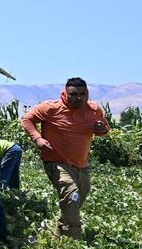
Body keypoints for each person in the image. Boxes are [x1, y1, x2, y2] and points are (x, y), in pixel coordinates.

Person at [21, 77, 110, 239]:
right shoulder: (50, 108)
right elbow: (27, 119)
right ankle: (75, 242)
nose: (79, 98)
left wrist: (102, 129)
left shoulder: (94, 110)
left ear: (87, 93)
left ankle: (59, 235)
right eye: (73, 94)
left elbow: (104, 128)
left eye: (82, 94)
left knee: (78, 197)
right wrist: (38, 139)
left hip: (82, 164)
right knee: (71, 193)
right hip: (56, 161)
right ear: (65, 93)